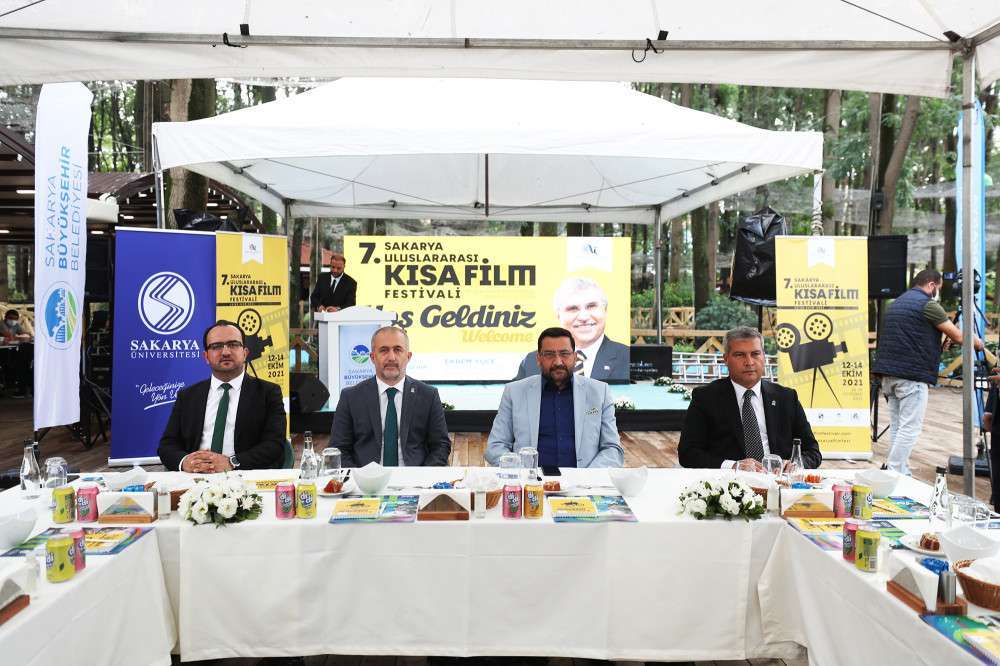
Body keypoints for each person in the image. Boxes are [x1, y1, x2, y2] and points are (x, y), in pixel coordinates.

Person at [873, 269, 983, 475]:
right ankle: (895, 472)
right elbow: (960, 337)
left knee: (898, 427)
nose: (937, 292)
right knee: (910, 428)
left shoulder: (897, 303)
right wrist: (978, 343)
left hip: (888, 375)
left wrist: (935, 344)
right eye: (938, 288)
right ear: (931, 285)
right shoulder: (928, 304)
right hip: (911, 376)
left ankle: (899, 471)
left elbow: (910, 337)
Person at [679, 326, 822, 470]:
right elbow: (687, 453)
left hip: (778, 478)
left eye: (755, 354)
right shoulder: (706, 398)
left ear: (764, 357)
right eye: (740, 355)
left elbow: (812, 452)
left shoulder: (786, 397)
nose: (749, 362)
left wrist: (794, 465)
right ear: (726, 359)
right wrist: (733, 466)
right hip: (731, 480)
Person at [158, 320, 287, 472]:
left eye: (233, 344)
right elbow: (167, 445)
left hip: (244, 475)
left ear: (245, 353)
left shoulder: (268, 393)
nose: (225, 352)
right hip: (195, 476)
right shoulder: (187, 396)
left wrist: (231, 463)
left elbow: (274, 444)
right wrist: (186, 462)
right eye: (216, 346)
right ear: (206, 356)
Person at [487, 327, 624, 468]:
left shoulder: (600, 392)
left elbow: (612, 449)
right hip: (530, 480)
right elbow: (495, 447)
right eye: (549, 355)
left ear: (575, 357)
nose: (558, 362)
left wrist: (586, 477)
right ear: (538, 359)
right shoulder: (514, 392)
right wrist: (523, 473)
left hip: (584, 480)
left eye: (564, 354)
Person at [331, 326, 451, 467]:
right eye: (384, 350)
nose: (391, 357)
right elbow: (338, 448)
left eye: (398, 350)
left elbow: (441, 445)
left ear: (408, 356)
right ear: (372, 357)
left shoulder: (428, 395)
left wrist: (422, 476)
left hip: (414, 477)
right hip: (365, 478)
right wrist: (358, 477)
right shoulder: (350, 397)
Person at [514, 277, 629, 383]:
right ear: (558, 316)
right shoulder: (532, 363)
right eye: (573, 309)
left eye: (591, 306)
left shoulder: (628, 359)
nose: (583, 317)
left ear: (605, 310)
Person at [0, 308, 33, 397]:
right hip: (3, 350)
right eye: (11, 318)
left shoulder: (16, 325)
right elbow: (8, 335)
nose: (13, 320)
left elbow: (26, 334)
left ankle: (14, 383)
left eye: (15, 319)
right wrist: (20, 337)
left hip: (12, 348)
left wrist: (25, 335)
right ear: (6, 317)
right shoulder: (2, 324)